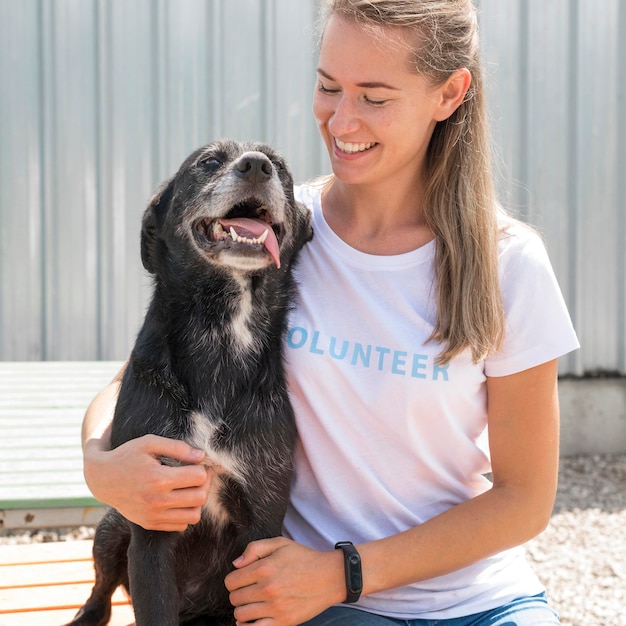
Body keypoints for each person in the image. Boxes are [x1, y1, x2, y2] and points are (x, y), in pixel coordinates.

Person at [81, 1, 580, 624]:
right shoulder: (275, 233)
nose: (341, 118)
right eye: (328, 86)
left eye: (375, 96)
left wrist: (344, 572)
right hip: (310, 605)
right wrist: (101, 467)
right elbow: (134, 377)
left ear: (449, 94)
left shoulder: (510, 263)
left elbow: (525, 499)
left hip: (474, 602)